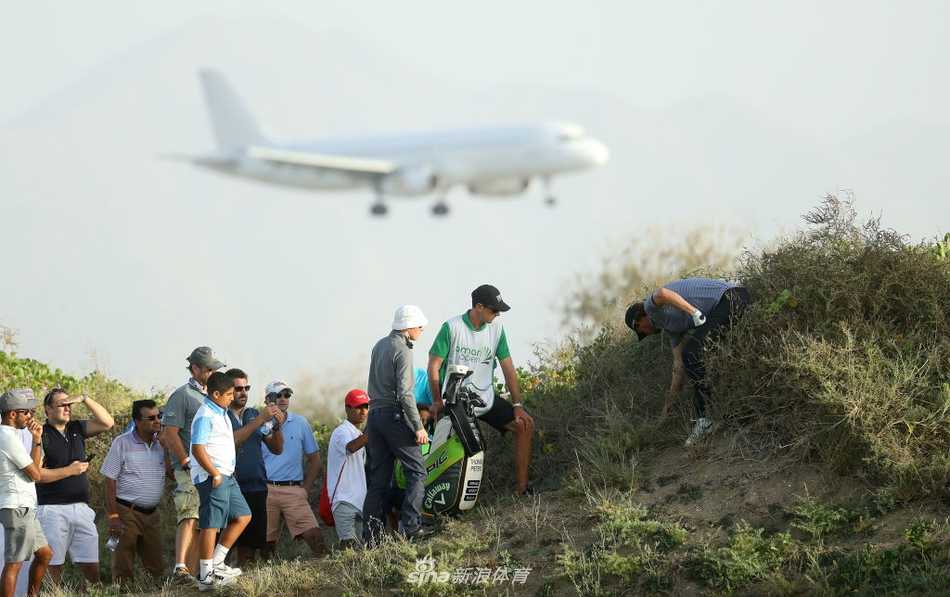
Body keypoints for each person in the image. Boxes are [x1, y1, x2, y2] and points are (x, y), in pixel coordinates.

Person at [427, 284, 536, 495]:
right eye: (494, 310)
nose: (497, 315)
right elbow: (433, 366)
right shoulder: (452, 327)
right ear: (478, 307)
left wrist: (518, 405)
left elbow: (508, 368)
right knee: (446, 455)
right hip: (456, 403)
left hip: (485, 399)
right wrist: (437, 401)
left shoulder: (497, 330)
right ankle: (438, 506)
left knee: (525, 425)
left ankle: (522, 490)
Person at [625, 277, 751, 447]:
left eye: (641, 330)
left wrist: (694, 312)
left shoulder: (649, 307)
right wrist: (667, 407)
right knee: (691, 355)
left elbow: (662, 293)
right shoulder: (672, 328)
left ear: (640, 320)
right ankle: (731, 406)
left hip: (731, 298)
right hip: (729, 304)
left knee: (692, 352)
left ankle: (705, 420)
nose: (646, 333)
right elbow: (679, 367)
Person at [363, 305, 431, 544]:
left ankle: (371, 538)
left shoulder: (379, 345)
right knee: (417, 470)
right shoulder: (403, 349)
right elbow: (405, 394)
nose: (421, 330)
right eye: (419, 326)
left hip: (375, 417)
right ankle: (411, 527)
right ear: (408, 326)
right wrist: (418, 427)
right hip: (394, 416)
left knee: (379, 479)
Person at [36, 388, 114, 587]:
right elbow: (37, 475)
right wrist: (70, 471)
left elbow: (107, 422)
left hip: (81, 507)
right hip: (52, 509)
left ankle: (93, 591)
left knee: (91, 561)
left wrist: (86, 399)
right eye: (61, 404)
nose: (67, 408)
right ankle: (54, 592)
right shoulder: (40, 435)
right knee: (53, 562)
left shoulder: (76, 428)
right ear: (47, 410)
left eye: (69, 404)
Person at [160, 346, 225, 582]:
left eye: (214, 368)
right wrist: (185, 460)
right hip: (189, 468)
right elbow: (169, 433)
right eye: (209, 369)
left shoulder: (214, 396)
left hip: (208, 469)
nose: (212, 372)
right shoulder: (183, 395)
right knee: (189, 515)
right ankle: (180, 568)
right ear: (195, 368)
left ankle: (193, 573)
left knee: (203, 521)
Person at [190, 372, 251, 591]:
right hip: (213, 476)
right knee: (212, 523)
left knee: (243, 515)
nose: (231, 398)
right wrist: (214, 473)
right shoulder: (206, 413)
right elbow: (198, 448)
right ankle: (206, 576)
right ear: (215, 394)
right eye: (227, 394)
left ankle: (216, 564)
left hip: (226, 475)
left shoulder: (221, 411)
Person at [99, 400, 166, 583]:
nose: (157, 421)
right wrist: (113, 515)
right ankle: (122, 592)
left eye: (158, 416)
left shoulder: (161, 444)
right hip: (126, 511)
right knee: (123, 564)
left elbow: (171, 474)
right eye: (151, 418)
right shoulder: (122, 443)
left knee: (156, 566)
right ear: (137, 421)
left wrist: (167, 446)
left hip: (153, 514)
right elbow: (110, 480)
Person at [224, 368, 285, 565]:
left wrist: (276, 426)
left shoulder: (253, 413)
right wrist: (261, 419)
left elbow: (276, 448)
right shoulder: (221, 415)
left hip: (257, 486)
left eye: (246, 388)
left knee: (250, 548)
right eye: (238, 388)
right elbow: (232, 441)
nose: (243, 392)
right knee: (224, 543)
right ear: (228, 389)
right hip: (230, 487)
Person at [261, 381, 325, 556]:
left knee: (315, 538)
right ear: (267, 400)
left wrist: (305, 488)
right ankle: (266, 580)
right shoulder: (258, 423)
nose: (283, 399)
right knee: (266, 546)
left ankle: (326, 578)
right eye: (278, 395)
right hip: (266, 490)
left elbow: (315, 459)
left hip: (293, 489)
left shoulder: (300, 422)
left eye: (286, 395)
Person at [0, 389, 52, 597]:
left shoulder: (11, 435)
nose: (31, 416)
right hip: (17, 506)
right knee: (14, 563)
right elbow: (36, 474)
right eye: (27, 412)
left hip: (23, 506)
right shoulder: (7, 437)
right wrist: (36, 441)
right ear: (13, 414)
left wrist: (36, 439)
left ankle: (33, 595)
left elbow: (35, 468)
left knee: (45, 554)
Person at [326, 389, 369, 549]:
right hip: (343, 500)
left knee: (359, 549)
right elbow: (351, 447)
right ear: (347, 409)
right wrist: (372, 431)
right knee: (348, 547)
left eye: (366, 406)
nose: (363, 411)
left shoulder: (357, 432)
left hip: (359, 500)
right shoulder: (341, 431)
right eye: (358, 407)